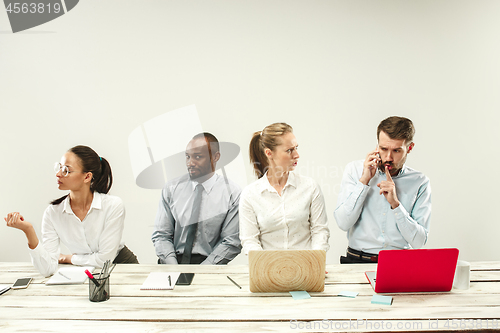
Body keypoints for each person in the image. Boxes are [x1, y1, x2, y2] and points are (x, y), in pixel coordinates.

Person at [4, 145, 138, 277]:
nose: (58, 174)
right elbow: (47, 269)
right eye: (59, 168)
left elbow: (104, 260)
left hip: (122, 265)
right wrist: (28, 230)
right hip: (86, 272)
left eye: (66, 170)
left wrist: (69, 259)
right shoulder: (53, 213)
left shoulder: (113, 205)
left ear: (87, 177)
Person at [334, 116, 431, 264]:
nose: (388, 157)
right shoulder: (354, 170)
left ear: (409, 148)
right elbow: (343, 223)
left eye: (396, 150)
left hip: (400, 264)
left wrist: (396, 205)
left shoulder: (419, 182)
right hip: (357, 261)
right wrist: (364, 182)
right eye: (383, 149)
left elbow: (419, 241)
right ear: (377, 145)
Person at [239, 123, 330, 254]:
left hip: (305, 267)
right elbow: (249, 240)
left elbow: (320, 231)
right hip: (267, 269)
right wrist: (265, 265)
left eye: (296, 148)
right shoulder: (250, 194)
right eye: (289, 150)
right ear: (269, 153)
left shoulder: (310, 187)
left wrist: (316, 261)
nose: (297, 155)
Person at [152, 132, 242, 265]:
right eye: (187, 157)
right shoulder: (171, 188)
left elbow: (231, 242)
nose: (190, 163)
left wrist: (202, 271)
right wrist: (174, 268)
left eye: (198, 157)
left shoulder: (232, 193)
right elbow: (161, 235)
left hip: (209, 265)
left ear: (216, 157)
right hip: (171, 262)